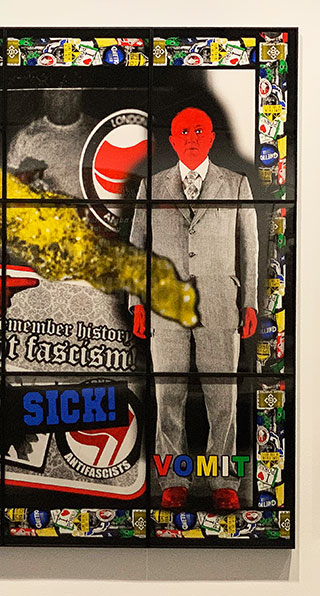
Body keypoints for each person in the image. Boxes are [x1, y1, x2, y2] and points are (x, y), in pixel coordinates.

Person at [128, 107, 258, 511]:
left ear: (211, 137)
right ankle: (172, 481)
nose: (191, 137)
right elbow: (136, 248)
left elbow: (249, 247)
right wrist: (136, 303)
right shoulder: (152, 186)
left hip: (220, 303)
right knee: (168, 395)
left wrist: (250, 302)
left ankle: (225, 482)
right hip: (164, 307)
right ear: (172, 139)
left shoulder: (235, 184)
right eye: (183, 131)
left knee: (223, 397)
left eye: (199, 130)